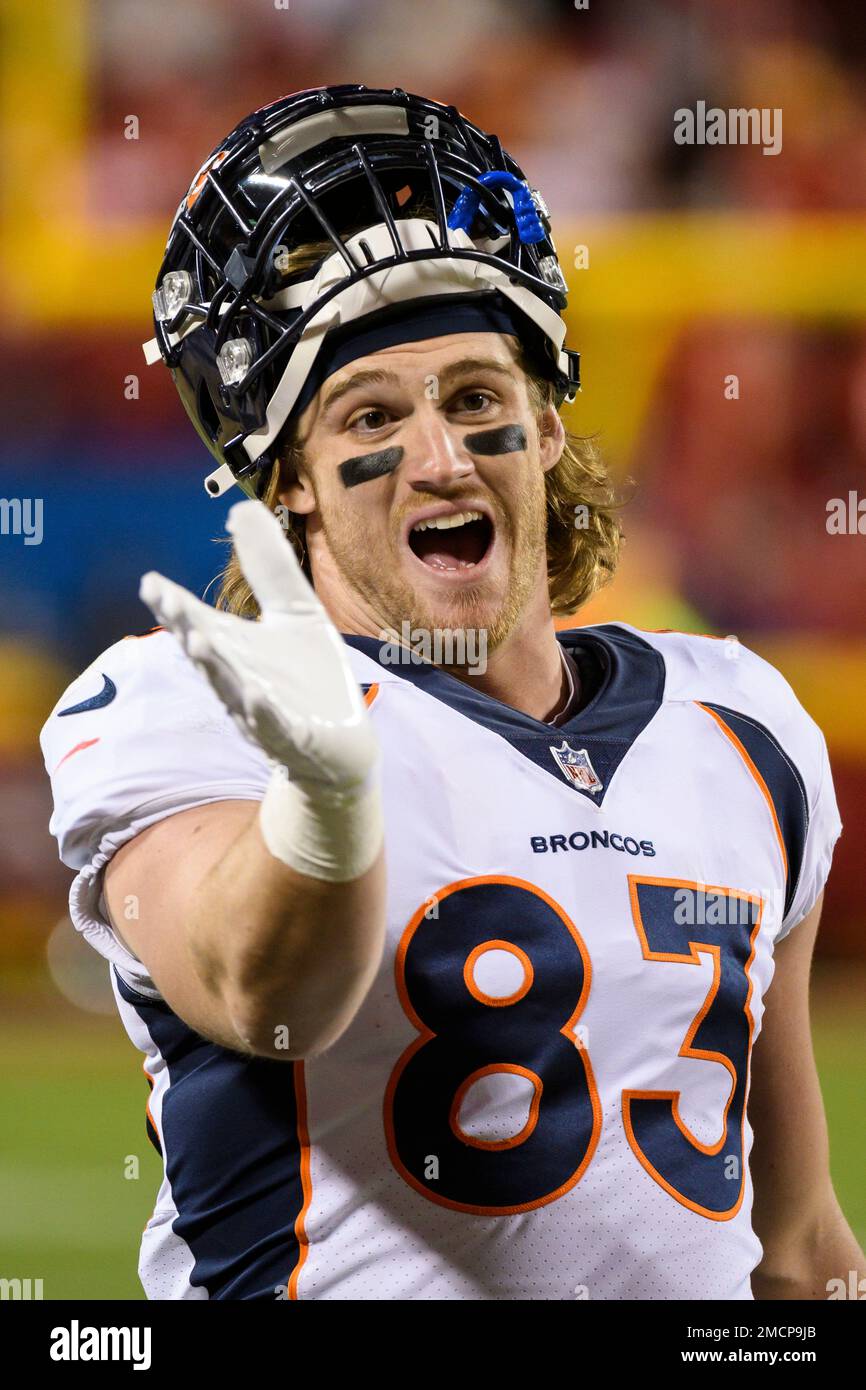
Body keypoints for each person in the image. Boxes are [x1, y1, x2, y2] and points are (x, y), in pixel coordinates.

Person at [41, 85, 862, 1300]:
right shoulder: (187, 704)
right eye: (370, 415)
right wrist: (321, 807)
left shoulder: (739, 720)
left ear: (542, 420)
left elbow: (794, 1246)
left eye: (477, 398)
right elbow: (260, 998)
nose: (438, 455)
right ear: (295, 485)